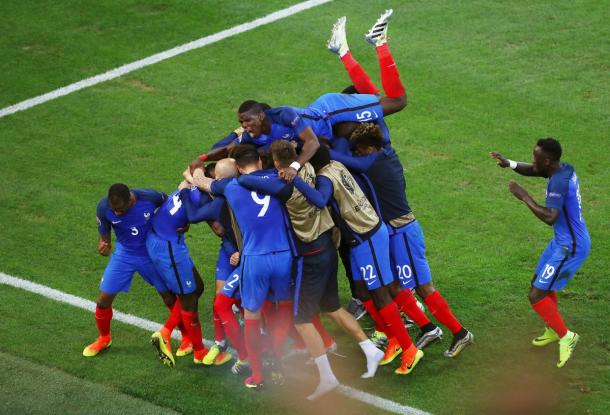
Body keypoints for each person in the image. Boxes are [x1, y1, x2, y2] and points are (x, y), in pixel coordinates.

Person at [237, 140, 384, 399]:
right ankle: (371, 350)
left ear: (277, 162)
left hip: (311, 255)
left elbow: (247, 182)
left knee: (302, 319)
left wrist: (281, 175)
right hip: (328, 246)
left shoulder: (284, 187)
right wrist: (293, 167)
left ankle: (328, 378)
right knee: (332, 308)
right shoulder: (308, 168)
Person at [330, 123, 474, 358]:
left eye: (358, 150)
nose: (354, 154)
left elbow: (350, 162)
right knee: (394, 286)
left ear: (368, 149)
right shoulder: (385, 153)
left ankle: (460, 333)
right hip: (394, 232)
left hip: (403, 231)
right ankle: (429, 328)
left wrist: (325, 151)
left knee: (423, 287)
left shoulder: (374, 161)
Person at [293, 145, 423, 375]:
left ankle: (410, 348)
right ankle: (393, 339)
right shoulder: (337, 165)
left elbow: (321, 200)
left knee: (381, 294)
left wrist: (297, 180)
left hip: (366, 237)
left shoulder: (324, 179)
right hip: (359, 238)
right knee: (363, 292)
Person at [187, 145, 295, 389]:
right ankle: (277, 359)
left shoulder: (231, 186)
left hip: (255, 258)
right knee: (284, 307)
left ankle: (257, 375)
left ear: (237, 167)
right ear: (259, 160)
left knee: (252, 315)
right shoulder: (275, 176)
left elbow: (201, 181)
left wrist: (197, 165)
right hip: (284, 255)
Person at [490, 138, 590, 367]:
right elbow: (534, 171)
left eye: (536, 158)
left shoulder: (559, 183)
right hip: (561, 242)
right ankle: (553, 329)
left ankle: (567, 336)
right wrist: (509, 163)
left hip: (571, 248)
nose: (533, 162)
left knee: (536, 295)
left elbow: (550, 217)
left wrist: (524, 196)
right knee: (538, 282)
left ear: (547, 161)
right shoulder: (561, 168)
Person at [84, 184, 181, 357]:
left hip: (150, 254)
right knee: (102, 301)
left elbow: (171, 206)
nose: (117, 213)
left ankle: (187, 337)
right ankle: (104, 338)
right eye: (115, 209)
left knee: (169, 297)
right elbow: (104, 238)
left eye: (121, 209)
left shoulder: (149, 197)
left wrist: (178, 225)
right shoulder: (104, 207)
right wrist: (103, 246)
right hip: (124, 255)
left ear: (131, 199)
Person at [146, 176, 232, 367]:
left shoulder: (192, 185)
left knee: (197, 288)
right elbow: (219, 229)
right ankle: (194, 349)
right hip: (167, 247)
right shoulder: (204, 198)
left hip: (166, 239)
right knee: (188, 298)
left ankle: (178, 337)